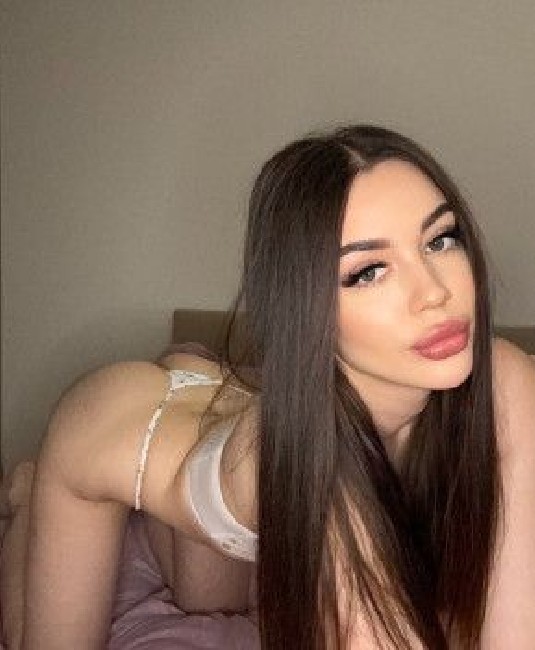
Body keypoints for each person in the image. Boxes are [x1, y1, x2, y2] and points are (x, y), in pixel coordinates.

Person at [1, 125, 534, 649]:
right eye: (368, 271)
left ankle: (202, 377)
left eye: (440, 239)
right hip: (113, 431)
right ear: (304, 306)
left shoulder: (506, 376)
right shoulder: (321, 457)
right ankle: (27, 493)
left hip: (242, 431)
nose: (435, 293)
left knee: (208, 593)